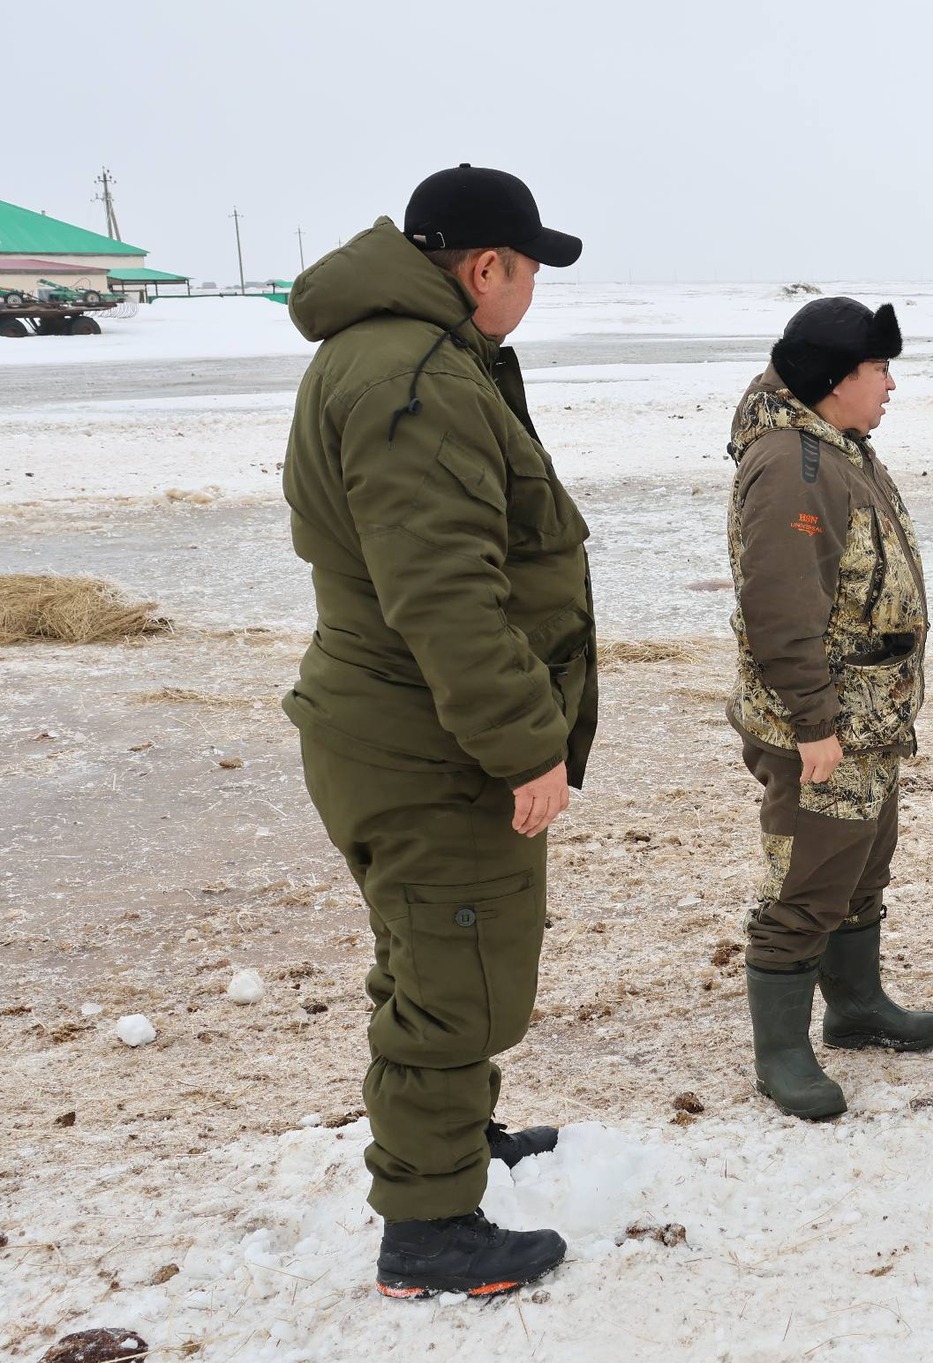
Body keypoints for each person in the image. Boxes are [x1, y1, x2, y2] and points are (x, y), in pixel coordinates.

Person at [281, 164, 593, 1298]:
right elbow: (446, 596)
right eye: (527, 270)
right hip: (428, 739)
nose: (530, 292)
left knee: (432, 951)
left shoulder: (404, 357)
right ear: (482, 267)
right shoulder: (416, 380)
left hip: (395, 725)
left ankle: (454, 1137)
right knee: (457, 974)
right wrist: (524, 744)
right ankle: (429, 1228)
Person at [726, 296, 933, 1121]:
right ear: (834, 379)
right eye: (878, 369)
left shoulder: (838, 445)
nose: (890, 385)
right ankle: (782, 1053)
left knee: (859, 867)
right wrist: (814, 721)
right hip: (823, 725)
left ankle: (857, 1005)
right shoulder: (792, 464)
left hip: (869, 718)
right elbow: (779, 602)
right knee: (807, 883)